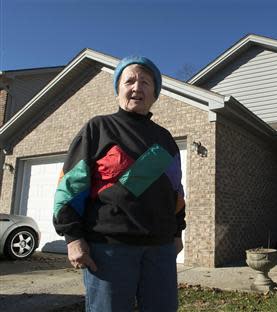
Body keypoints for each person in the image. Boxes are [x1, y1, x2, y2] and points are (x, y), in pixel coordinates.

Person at [53, 56, 186, 312]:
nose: (137, 87)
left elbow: (175, 192)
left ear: (155, 93)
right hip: (109, 249)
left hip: (159, 249)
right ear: (118, 90)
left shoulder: (165, 139)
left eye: (146, 82)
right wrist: (73, 237)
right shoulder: (99, 128)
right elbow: (70, 186)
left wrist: (177, 232)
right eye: (130, 81)